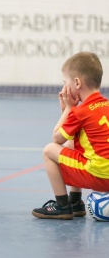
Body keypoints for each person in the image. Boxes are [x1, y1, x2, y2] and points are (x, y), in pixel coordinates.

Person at [32, 51, 109, 220]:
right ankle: (76, 202)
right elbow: (72, 136)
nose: (64, 88)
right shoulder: (106, 105)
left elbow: (56, 138)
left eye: (65, 82)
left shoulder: (80, 111)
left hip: (99, 176)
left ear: (76, 82)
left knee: (49, 151)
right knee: (73, 146)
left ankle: (62, 206)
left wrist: (67, 109)